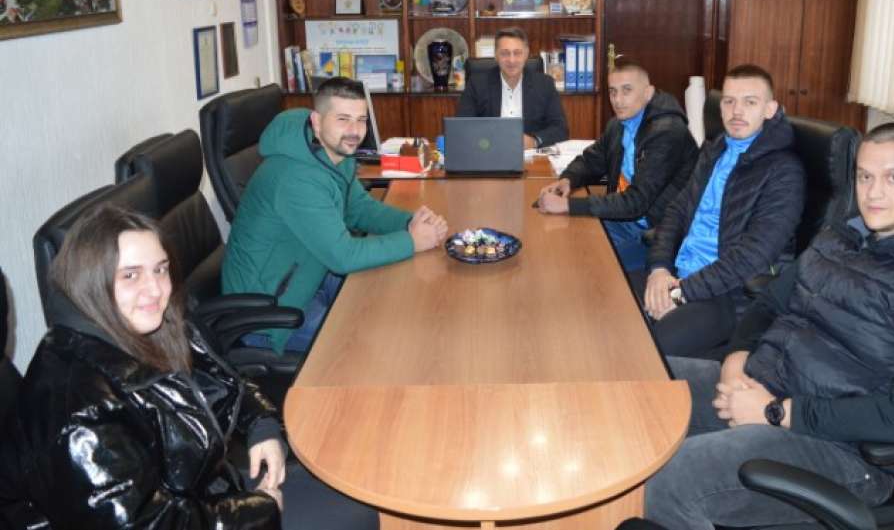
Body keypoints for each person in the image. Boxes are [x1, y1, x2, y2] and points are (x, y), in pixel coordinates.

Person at [643, 123, 894, 530]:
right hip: (761, 383)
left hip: (842, 447)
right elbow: (769, 303)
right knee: (631, 387)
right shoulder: (843, 234)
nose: (874, 193)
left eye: (893, 178)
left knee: (665, 484)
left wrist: (776, 412)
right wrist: (735, 361)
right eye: (864, 176)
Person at [0, 203, 379, 530]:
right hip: (187, 515)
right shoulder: (77, 405)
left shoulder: (150, 326)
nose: (155, 290)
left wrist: (260, 425)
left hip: (204, 493)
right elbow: (146, 524)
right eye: (130, 275)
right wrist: (257, 512)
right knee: (363, 511)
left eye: (160, 269)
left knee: (364, 484)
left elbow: (222, 379)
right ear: (90, 282)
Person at [222, 77, 448, 354]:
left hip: (310, 275)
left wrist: (410, 223)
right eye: (343, 119)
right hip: (272, 314)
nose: (354, 131)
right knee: (378, 344)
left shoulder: (333, 154)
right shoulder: (296, 178)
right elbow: (343, 256)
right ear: (317, 122)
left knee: (396, 303)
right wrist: (412, 241)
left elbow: (359, 209)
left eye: (361, 120)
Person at [643, 64, 805, 357]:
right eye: (729, 101)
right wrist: (659, 269)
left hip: (729, 295)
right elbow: (677, 211)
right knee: (609, 303)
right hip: (679, 274)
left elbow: (752, 257)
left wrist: (680, 293)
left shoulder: (784, 172)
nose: (737, 111)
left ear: (770, 109)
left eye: (750, 102)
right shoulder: (715, 150)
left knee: (647, 348)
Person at [536, 61, 698, 272]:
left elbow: (636, 202)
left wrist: (568, 205)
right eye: (613, 92)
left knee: (583, 264)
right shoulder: (620, 124)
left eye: (626, 91)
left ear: (648, 93)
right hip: (622, 218)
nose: (618, 100)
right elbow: (591, 160)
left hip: (656, 235)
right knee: (561, 241)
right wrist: (568, 179)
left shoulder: (667, 133)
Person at [455, 26, 569, 149]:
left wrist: (534, 141)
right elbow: (462, 127)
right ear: (496, 55)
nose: (511, 60)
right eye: (505, 53)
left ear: (526, 54)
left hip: (530, 155)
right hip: (489, 151)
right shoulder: (477, 84)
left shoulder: (544, 85)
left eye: (517, 53)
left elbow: (560, 129)